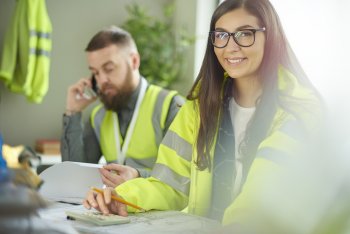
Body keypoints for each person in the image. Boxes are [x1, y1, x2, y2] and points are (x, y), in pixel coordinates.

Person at [83, 0, 324, 232]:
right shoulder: (199, 107)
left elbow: (262, 197)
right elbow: (169, 185)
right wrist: (123, 198)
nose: (231, 46)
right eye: (221, 35)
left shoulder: (299, 109)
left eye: (245, 33)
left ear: (270, 37)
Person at [61, 26, 184, 187]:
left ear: (134, 61)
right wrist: (73, 112)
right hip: (115, 208)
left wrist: (139, 176)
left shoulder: (171, 106)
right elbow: (75, 176)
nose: (102, 80)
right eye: (96, 73)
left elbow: (181, 177)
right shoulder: (98, 116)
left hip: (159, 210)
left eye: (109, 69)